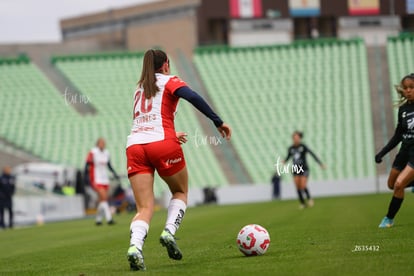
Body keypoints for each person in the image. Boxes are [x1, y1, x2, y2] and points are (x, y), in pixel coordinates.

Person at [125, 49, 231, 271]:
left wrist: (171, 135)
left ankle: (135, 247)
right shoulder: (169, 80)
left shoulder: (139, 88)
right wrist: (217, 121)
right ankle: (169, 232)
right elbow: (192, 96)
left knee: (144, 207)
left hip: (135, 146)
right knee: (180, 191)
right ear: (165, 65)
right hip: (162, 144)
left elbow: (146, 122)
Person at [375, 73, 414, 228]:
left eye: (412, 87)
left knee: (399, 184)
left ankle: (389, 219)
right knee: (392, 185)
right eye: (406, 88)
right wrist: (382, 153)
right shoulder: (403, 110)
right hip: (404, 151)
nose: (408, 90)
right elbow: (398, 135)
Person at [284, 131, 325, 209]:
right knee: (297, 186)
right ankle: (302, 203)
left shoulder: (303, 146)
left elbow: (312, 154)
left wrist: (320, 164)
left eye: (297, 137)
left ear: (300, 138)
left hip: (304, 168)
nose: (296, 139)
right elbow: (288, 156)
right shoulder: (291, 148)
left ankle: (309, 198)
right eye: (294, 137)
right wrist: (284, 161)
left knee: (303, 185)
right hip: (295, 169)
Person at [84, 138, 119, 225]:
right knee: (104, 198)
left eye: (104, 143)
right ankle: (109, 219)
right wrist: (86, 177)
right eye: (101, 143)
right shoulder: (93, 152)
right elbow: (87, 164)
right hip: (96, 178)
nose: (103, 144)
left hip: (104, 179)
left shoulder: (106, 153)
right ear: (97, 144)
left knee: (102, 200)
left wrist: (114, 173)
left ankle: (98, 220)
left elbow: (109, 165)